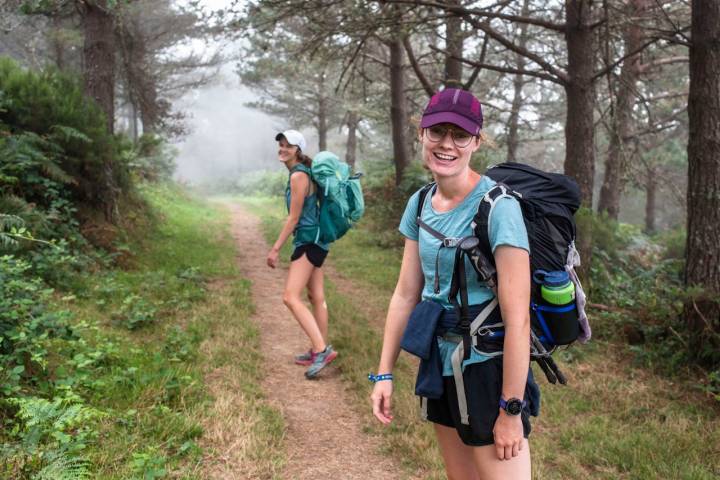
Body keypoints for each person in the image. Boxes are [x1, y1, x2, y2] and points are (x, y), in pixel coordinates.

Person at [370, 89, 539, 479]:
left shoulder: (499, 209)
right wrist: (384, 373)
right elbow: (405, 294)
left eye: (459, 135)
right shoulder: (420, 202)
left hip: (487, 371)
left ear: (476, 142)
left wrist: (511, 410)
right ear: (422, 134)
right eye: (438, 132)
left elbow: (519, 321)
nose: (447, 144)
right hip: (440, 364)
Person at [266, 129, 337, 379]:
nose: (283, 148)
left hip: (308, 240)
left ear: (298, 150)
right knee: (316, 296)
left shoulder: (298, 176)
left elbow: (294, 217)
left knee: (290, 297)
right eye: (281, 144)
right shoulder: (304, 172)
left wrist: (275, 248)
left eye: (288, 145)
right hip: (318, 239)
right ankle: (318, 347)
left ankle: (321, 349)